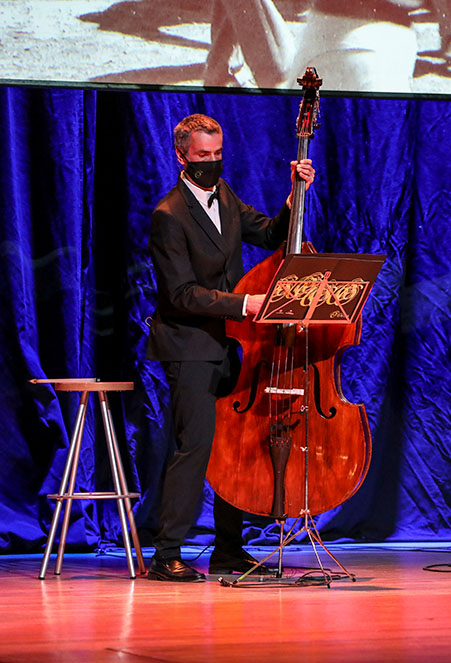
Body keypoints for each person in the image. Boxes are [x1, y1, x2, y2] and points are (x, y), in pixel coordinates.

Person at [146, 113, 315, 582]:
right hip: (189, 344)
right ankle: (166, 554)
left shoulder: (225, 196)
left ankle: (227, 549)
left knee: (231, 446)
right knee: (196, 446)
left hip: (229, 343)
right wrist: (246, 302)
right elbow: (181, 295)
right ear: (181, 157)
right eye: (203, 157)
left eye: (218, 155)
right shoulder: (168, 215)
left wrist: (293, 197)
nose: (212, 164)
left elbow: (271, 234)